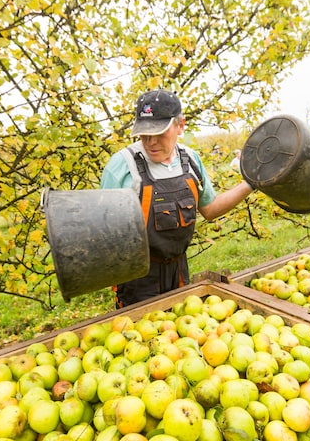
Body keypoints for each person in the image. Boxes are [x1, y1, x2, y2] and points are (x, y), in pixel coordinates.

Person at [100, 89, 255, 308]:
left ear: (180, 125)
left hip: (179, 270)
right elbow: (101, 233)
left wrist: (251, 183)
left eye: (160, 132)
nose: (151, 142)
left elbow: (210, 209)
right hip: (137, 279)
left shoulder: (190, 160)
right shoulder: (122, 166)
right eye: (144, 134)